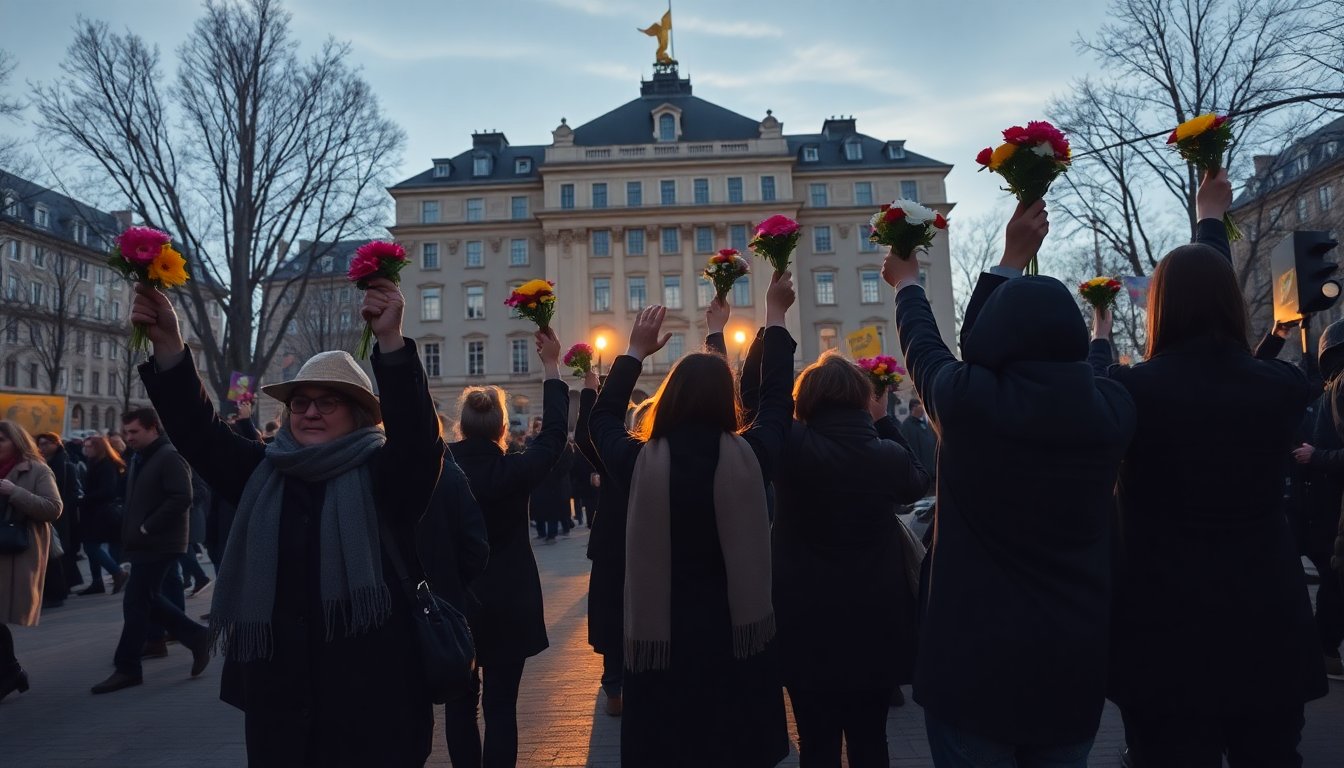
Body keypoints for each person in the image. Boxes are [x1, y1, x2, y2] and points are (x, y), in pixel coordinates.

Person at [124, 278, 443, 765]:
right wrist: (168, 343)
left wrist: (392, 343)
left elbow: (419, 440)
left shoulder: (386, 476)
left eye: (327, 401)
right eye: (300, 402)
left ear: (358, 415)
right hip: (281, 709)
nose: (310, 412)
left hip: (376, 706)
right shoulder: (263, 470)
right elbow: (199, 434)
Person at [886, 201, 1136, 767]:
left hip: (971, 672)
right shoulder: (1112, 410)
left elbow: (927, 348)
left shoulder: (967, 403)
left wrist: (908, 286)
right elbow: (1092, 368)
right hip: (1071, 667)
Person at [1092, 170, 1327, 765]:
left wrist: (1206, 225)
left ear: (1159, 310)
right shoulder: (1278, 387)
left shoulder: (1132, 392)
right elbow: (1229, 368)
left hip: (1164, 638)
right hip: (1267, 629)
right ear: (1229, 301)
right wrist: (1208, 224)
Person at [589, 273, 796, 768]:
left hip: (663, 647)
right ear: (727, 402)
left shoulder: (640, 462)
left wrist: (634, 352)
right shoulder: (752, 455)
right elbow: (775, 403)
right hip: (736, 643)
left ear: (671, 398)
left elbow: (600, 421)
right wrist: (774, 316)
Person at [769, 351, 930, 767]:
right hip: (874, 624)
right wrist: (883, 418)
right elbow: (917, 478)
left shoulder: (791, 446)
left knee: (816, 742)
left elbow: (762, 403)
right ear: (862, 399)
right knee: (870, 739)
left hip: (804, 622)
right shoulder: (886, 456)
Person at [450, 329, 568, 768]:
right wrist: (551, 368)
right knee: (502, 708)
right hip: (510, 599)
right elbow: (555, 437)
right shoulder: (513, 471)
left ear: (461, 426)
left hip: (457, 600)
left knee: (461, 705)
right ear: (503, 427)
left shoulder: (440, 470)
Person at [91, 408, 210, 694]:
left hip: (160, 543)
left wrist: (147, 527)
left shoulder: (168, 456)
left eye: (134, 432)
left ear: (153, 428)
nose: (128, 437)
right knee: (148, 599)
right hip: (146, 543)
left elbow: (183, 496)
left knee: (135, 603)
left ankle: (128, 667)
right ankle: (196, 637)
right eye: (126, 432)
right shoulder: (142, 456)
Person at [418, 433, 490, 768]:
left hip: (392, 613)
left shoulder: (370, 470)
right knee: (461, 707)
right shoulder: (449, 472)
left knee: (403, 711)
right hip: (450, 607)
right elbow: (476, 548)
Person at [1290, 320, 1344, 678]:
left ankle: (1318, 650)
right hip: (1326, 510)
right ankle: (1318, 650)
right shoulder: (1328, 393)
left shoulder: (1330, 392)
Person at [0, 420, 63, 702]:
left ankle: (11, 673)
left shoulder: (37, 469)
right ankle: (12, 671)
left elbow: (53, 508)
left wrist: (14, 492)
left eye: (1, 440)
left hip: (14, 553)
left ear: (16, 441)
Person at [77, 435, 128, 596]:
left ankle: (117, 572)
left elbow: (108, 491)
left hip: (101, 513)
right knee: (92, 546)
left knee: (91, 547)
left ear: (98, 448)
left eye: (89, 446)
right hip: (94, 512)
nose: (86, 449)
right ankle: (97, 582)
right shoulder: (94, 462)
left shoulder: (106, 464)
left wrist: (84, 498)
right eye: (85, 446)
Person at [36, 432, 79, 608]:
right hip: (53, 514)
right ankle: (63, 588)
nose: (42, 447)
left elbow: (67, 491)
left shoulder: (63, 463)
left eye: (45, 444)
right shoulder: (47, 462)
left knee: (56, 554)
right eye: (40, 444)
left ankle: (58, 593)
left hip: (61, 515)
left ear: (56, 444)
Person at [899, 399, 937, 487]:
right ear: (914, 408)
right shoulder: (906, 426)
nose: (923, 410)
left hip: (933, 472)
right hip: (921, 474)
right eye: (921, 407)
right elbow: (909, 450)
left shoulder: (925, 423)